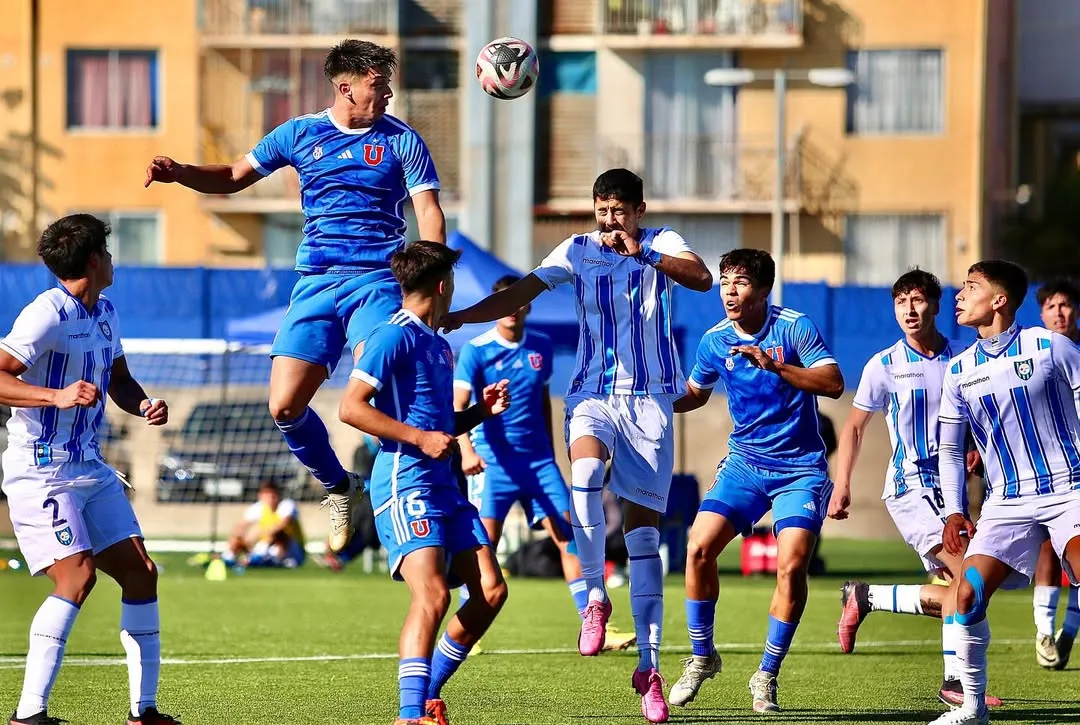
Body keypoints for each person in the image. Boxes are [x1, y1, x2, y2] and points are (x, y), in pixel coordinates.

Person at [144, 39, 446, 553]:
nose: (390, 92)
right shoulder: (300, 133)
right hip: (315, 283)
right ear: (346, 85)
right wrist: (181, 174)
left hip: (376, 281)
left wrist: (431, 287)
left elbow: (429, 213)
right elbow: (235, 177)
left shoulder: (402, 140)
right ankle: (337, 485)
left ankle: (419, 501)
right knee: (284, 407)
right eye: (380, 83)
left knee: (382, 388)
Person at [440, 168, 712, 723]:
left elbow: (703, 278)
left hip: (652, 402)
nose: (609, 221)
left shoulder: (661, 243)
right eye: (601, 209)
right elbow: (523, 290)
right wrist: (465, 317)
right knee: (585, 477)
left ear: (638, 211)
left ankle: (650, 668)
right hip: (591, 392)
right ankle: (593, 598)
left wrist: (644, 254)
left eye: (619, 211)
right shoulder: (578, 249)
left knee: (642, 541)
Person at [0, 214, 178, 725]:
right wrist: (52, 396)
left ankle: (144, 711)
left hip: (89, 467)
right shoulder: (44, 314)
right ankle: (28, 714)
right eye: (108, 249)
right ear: (95, 259)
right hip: (42, 469)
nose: (113, 258)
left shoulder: (105, 312)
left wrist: (143, 404)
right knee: (76, 577)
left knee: (141, 574)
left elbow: (119, 379)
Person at [338, 241, 510, 725]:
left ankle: (427, 694)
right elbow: (351, 407)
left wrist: (479, 412)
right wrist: (418, 438)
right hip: (404, 481)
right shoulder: (392, 335)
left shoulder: (437, 343)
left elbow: (436, 426)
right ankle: (409, 715)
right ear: (442, 285)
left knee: (491, 592)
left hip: (444, 487)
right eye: (453, 283)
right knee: (433, 595)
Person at [668, 249, 844, 714]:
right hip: (745, 464)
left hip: (800, 468)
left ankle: (766, 674)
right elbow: (694, 394)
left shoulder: (795, 327)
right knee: (698, 548)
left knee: (792, 564)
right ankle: (703, 656)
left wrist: (776, 366)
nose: (729, 289)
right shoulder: (713, 341)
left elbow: (833, 383)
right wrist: (653, 403)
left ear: (763, 290)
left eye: (740, 281)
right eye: (725, 280)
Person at [827, 269, 1001, 709]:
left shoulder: (963, 359)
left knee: (960, 587)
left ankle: (865, 596)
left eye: (918, 300)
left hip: (953, 491)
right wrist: (842, 484)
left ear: (936, 306)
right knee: (967, 573)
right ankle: (954, 682)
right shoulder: (883, 365)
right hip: (909, 486)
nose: (909, 309)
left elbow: (981, 417)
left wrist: (977, 448)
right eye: (901, 301)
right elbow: (854, 428)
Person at [929, 261, 1080, 725]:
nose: (958, 295)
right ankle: (972, 709)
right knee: (966, 596)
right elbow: (951, 450)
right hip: (1007, 501)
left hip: (1068, 487)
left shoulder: (1053, 347)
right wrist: (954, 510)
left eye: (970, 287)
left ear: (999, 300)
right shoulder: (958, 372)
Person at [453, 274, 634, 651]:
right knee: (484, 541)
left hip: (539, 463)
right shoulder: (477, 349)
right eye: (505, 304)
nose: (513, 311)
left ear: (527, 306)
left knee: (570, 536)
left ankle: (594, 621)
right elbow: (458, 406)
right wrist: (467, 451)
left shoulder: (541, 347)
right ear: (495, 307)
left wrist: (555, 454)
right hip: (493, 463)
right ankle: (468, 625)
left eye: (519, 303)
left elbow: (540, 402)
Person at [1029, 279, 1080, 669]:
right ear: (1041, 313)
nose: (1060, 312)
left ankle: (1071, 628)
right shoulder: (1031, 355)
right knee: (1047, 546)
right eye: (1052, 306)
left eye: (1066, 305)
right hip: (1039, 469)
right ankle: (1044, 631)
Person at [225, 481, 306, 569]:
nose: (271, 499)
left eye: (273, 496)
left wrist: (255, 537)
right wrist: (241, 538)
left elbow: (282, 524)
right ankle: (229, 557)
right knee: (237, 536)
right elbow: (241, 525)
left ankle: (261, 556)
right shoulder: (259, 507)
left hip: (291, 552)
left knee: (278, 533)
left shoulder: (287, 505)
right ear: (260, 496)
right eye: (267, 496)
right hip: (265, 545)